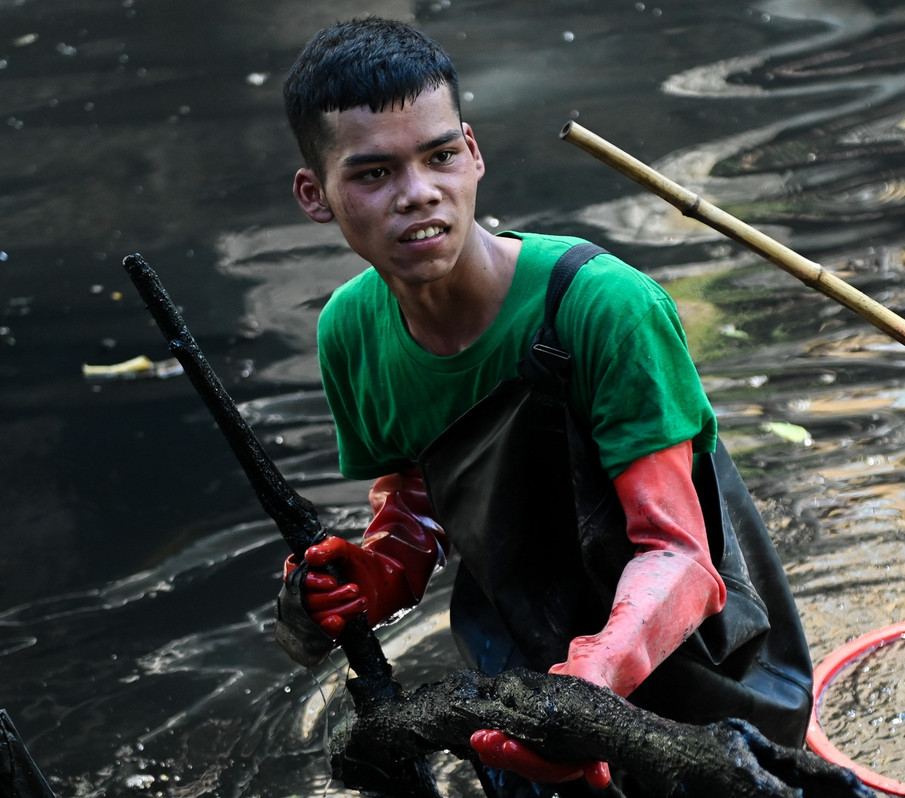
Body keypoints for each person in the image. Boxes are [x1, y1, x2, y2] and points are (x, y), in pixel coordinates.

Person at [273, 17, 814, 797]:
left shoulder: (603, 306)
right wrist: (380, 566)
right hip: (520, 676)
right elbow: (416, 489)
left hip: (699, 678)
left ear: (473, 151)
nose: (418, 193)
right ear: (313, 195)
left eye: (439, 157)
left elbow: (681, 560)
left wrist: (587, 689)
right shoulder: (350, 332)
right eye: (372, 174)